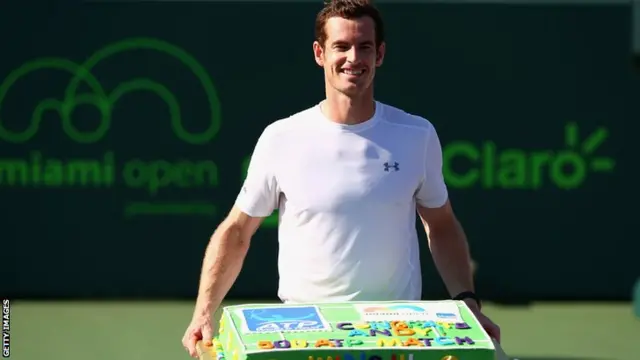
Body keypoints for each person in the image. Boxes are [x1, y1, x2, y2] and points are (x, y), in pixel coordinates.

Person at [182, 0, 500, 357]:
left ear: (380, 54)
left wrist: (468, 302)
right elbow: (238, 230)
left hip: (394, 333)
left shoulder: (417, 135)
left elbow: (441, 225)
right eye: (341, 46)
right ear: (320, 53)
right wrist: (203, 312)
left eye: (364, 47)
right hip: (305, 334)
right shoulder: (281, 137)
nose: (353, 58)